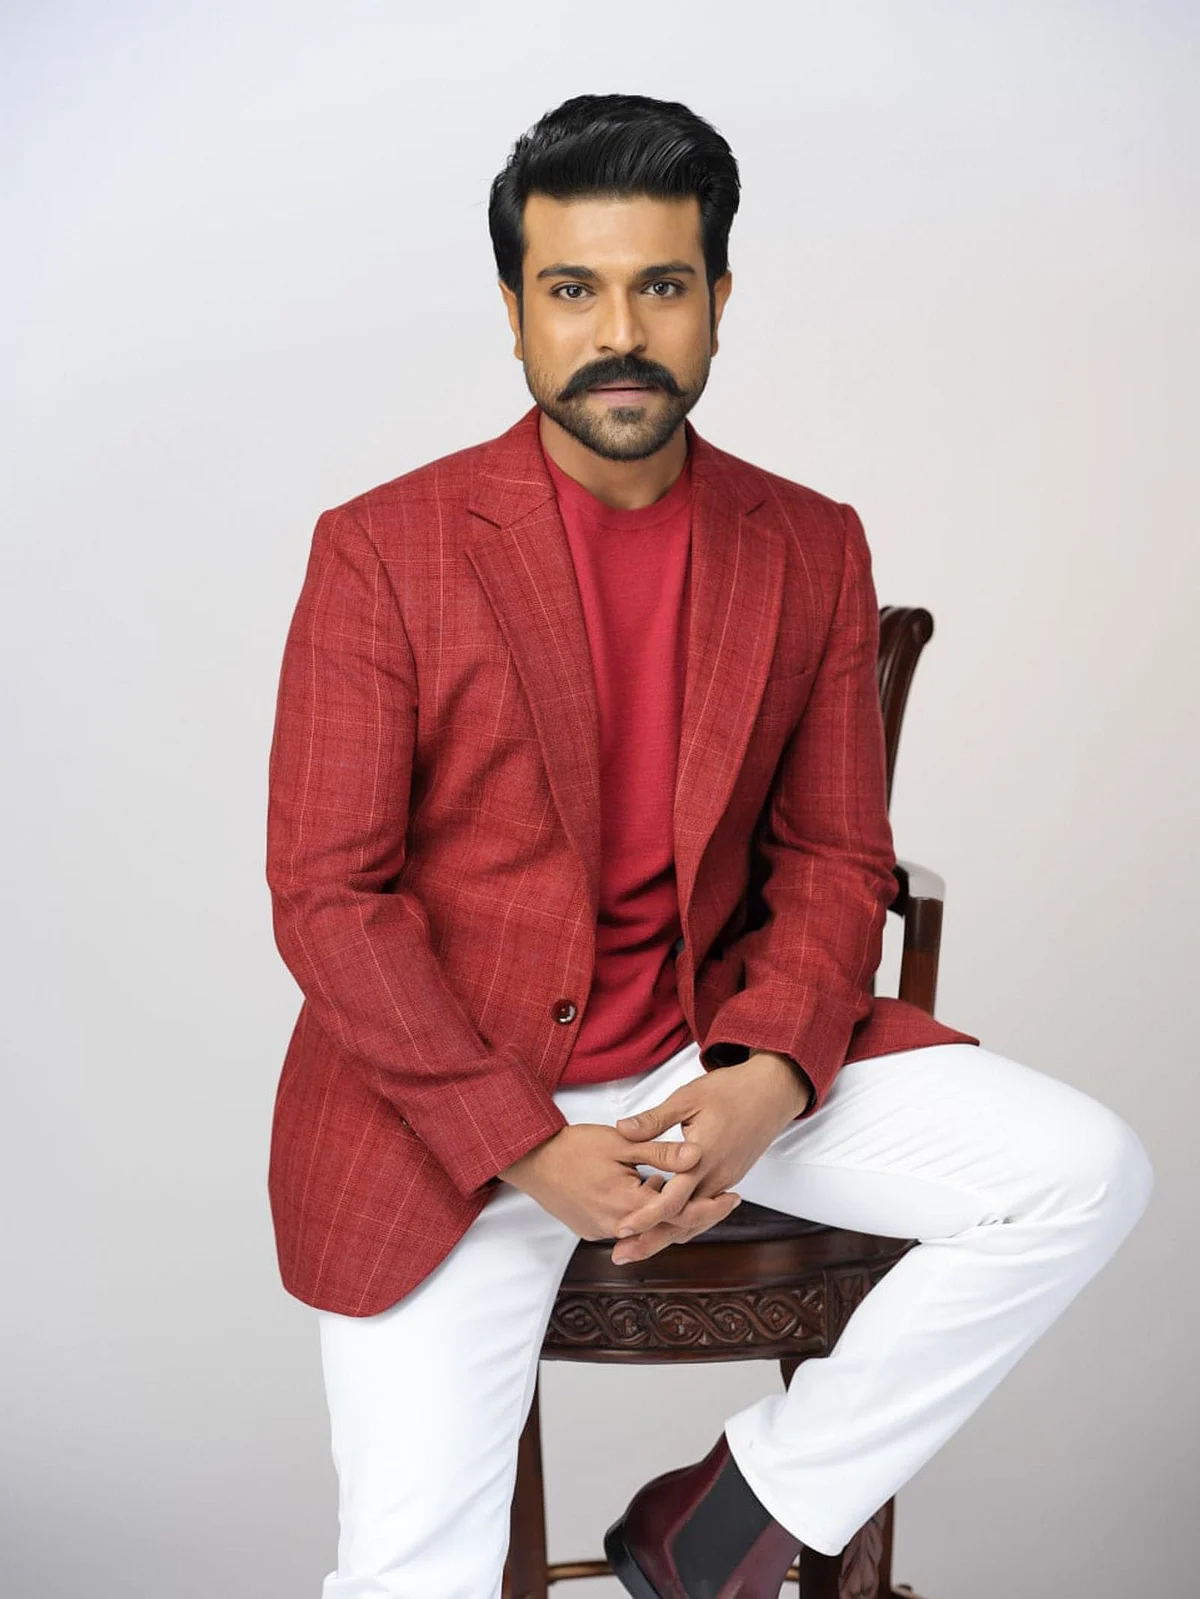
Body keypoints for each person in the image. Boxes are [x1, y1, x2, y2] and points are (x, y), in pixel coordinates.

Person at [264, 92, 1154, 1599]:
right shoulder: (384, 548)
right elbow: (327, 899)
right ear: (513, 309)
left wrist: (772, 1076)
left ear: (720, 300)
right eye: (573, 289)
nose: (620, 332)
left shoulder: (807, 541)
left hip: (710, 1054)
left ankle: (733, 1516)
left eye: (662, 286)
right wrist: (522, 1143)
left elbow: (833, 856)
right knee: (414, 1574)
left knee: (1087, 1174)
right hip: (459, 1106)